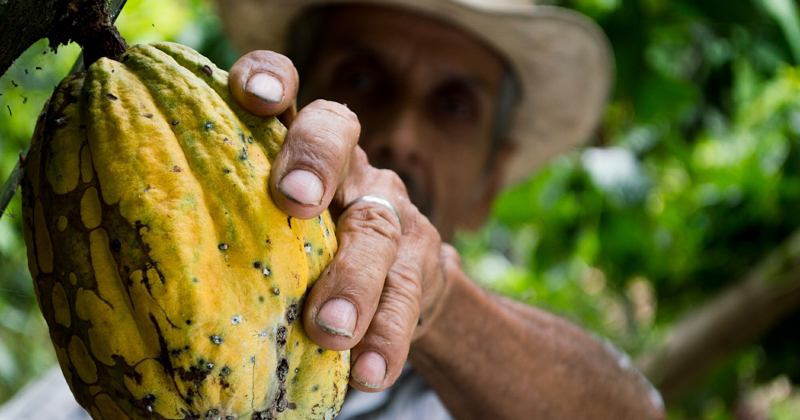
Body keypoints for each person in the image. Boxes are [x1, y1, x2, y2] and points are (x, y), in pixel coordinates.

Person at [0, 1, 666, 419]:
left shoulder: (495, 396)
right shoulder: (70, 401)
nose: (402, 133)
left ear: (491, 181)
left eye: (453, 105)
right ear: (274, 106)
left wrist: (437, 299)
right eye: (362, 79)